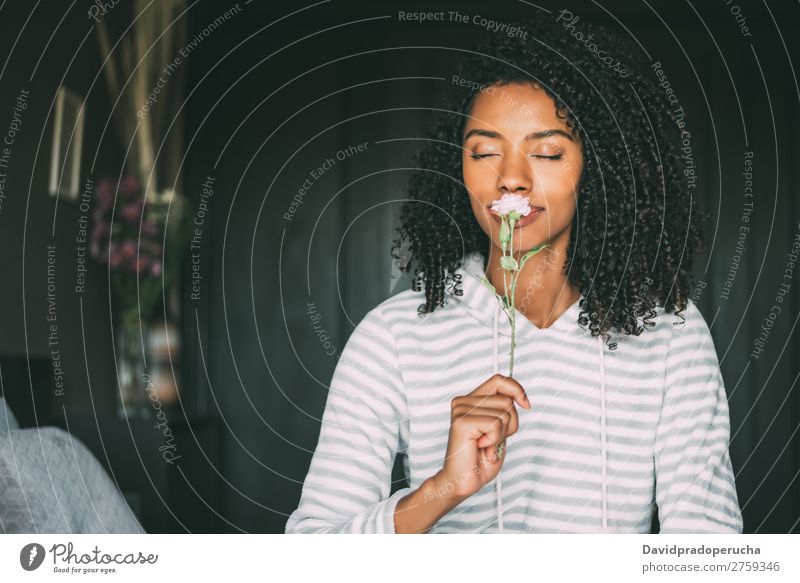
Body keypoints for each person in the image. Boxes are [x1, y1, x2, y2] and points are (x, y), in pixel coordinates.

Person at [285, 16, 743, 534]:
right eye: (484, 152)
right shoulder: (392, 337)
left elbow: (711, 552)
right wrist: (441, 490)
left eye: (547, 152)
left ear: (597, 166)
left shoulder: (671, 335)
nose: (512, 179)